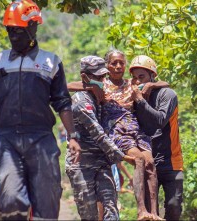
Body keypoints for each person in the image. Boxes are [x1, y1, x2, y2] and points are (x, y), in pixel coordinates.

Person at [0, 1, 81, 220]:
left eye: (18, 30)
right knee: (10, 199)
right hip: (7, 140)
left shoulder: (51, 62)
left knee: (47, 200)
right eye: (9, 31)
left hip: (41, 139)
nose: (13, 36)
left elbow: (62, 102)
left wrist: (73, 136)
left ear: (33, 27)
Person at [68, 49, 167, 220]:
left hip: (131, 131)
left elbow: (164, 83)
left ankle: (152, 213)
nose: (118, 66)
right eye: (114, 63)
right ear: (107, 66)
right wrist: (91, 85)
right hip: (112, 135)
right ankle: (141, 210)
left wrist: (151, 85)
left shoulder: (131, 84)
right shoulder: (99, 87)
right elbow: (67, 86)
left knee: (149, 162)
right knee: (138, 159)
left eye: (121, 62)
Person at [66, 55, 135, 221]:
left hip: (102, 163)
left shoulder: (99, 97)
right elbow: (98, 133)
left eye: (103, 76)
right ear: (85, 77)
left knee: (111, 211)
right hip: (82, 166)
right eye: (97, 77)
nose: (102, 80)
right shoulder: (81, 101)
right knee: (89, 215)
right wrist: (122, 156)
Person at [130, 55, 184, 221]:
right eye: (135, 78)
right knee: (150, 215)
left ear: (152, 76)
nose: (138, 81)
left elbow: (160, 120)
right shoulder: (131, 96)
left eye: (142, 77)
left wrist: (140, 101)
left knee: (174, 208)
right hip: (148, 163)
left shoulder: (167, 95)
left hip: (171, 162)